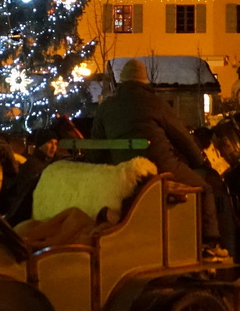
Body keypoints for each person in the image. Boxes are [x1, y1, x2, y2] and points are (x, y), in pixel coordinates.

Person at [92, 59, 229, 260]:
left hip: (125, 170)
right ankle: (210, 243)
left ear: (122, 81)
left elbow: (96, 147)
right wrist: (200, 162)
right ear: (144, 81)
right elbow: (182, 137)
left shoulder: (106, 107)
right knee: (204, 187)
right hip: (160, 167)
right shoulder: (155, 103)